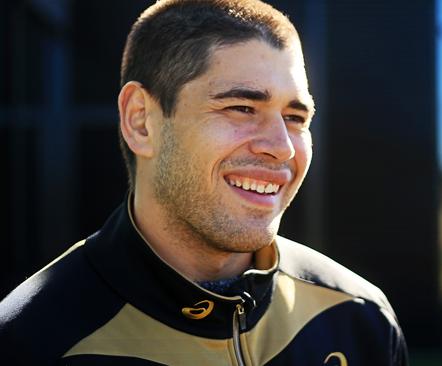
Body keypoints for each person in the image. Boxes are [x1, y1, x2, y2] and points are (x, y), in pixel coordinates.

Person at [0, 0, 408, 365]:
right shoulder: (29, 340)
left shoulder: (359, 318)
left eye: (296, 117)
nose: (282, 148)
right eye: (242, 107)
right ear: (141, 120)